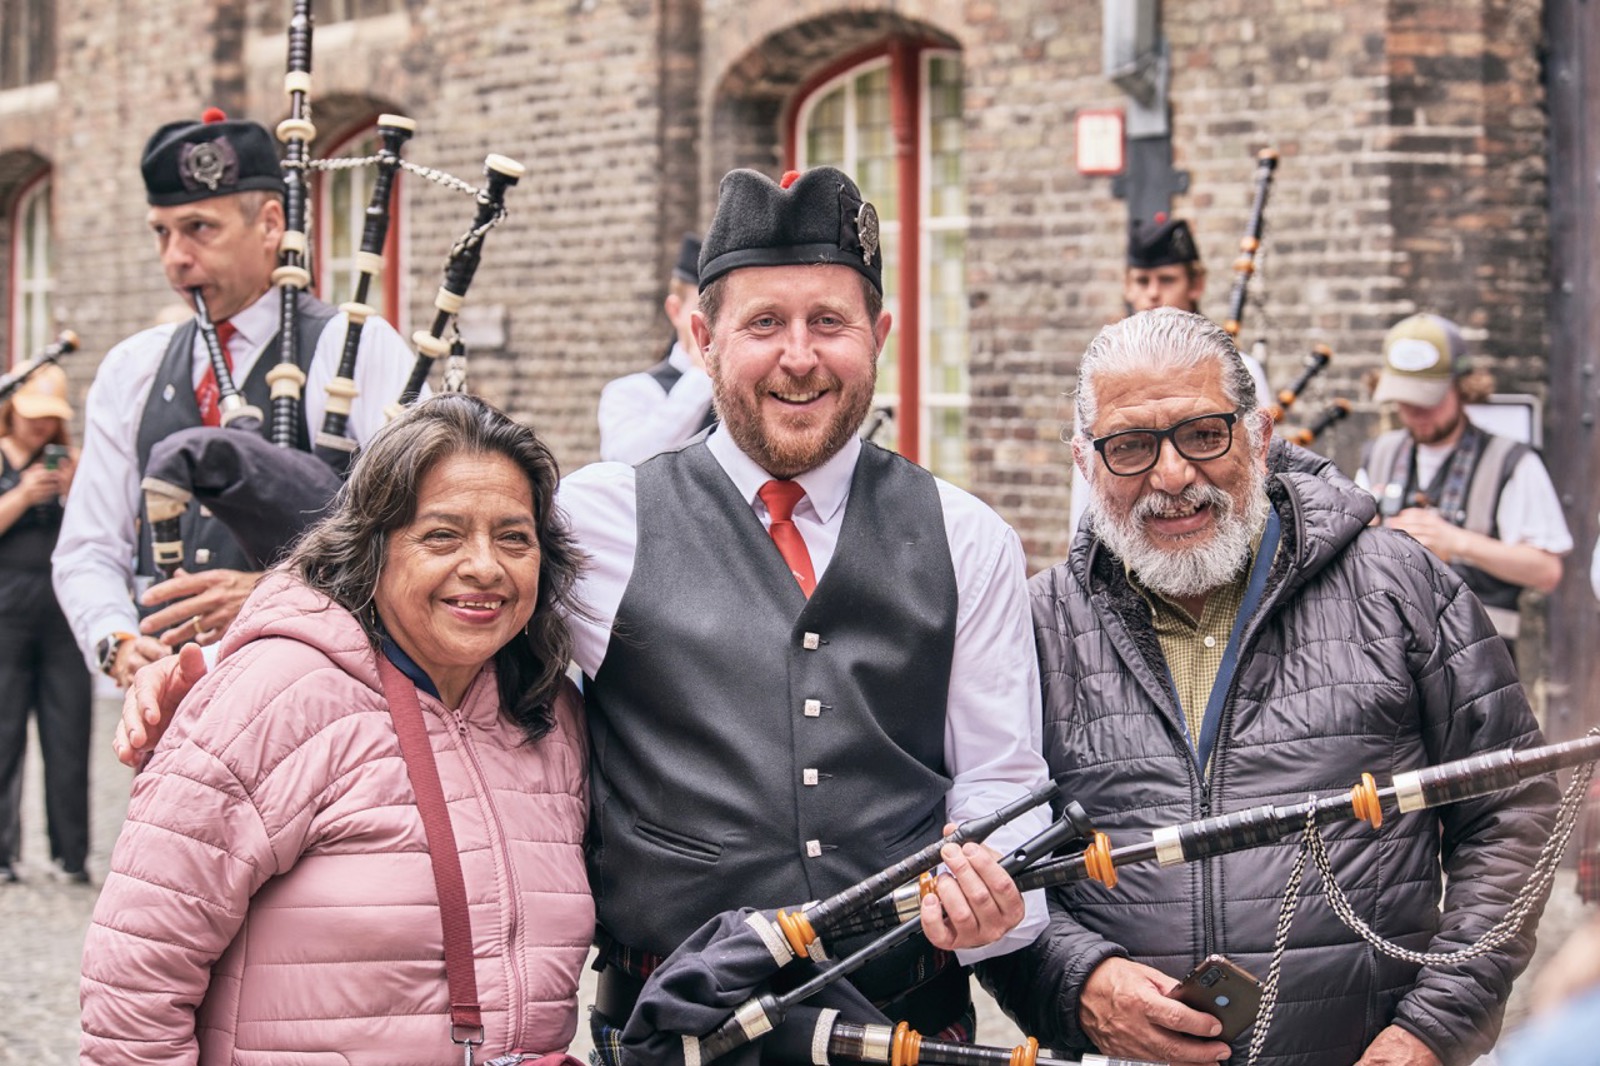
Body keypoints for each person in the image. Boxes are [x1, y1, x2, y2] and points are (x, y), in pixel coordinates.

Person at [119, 166, 1051, 1062]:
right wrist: (217, 675)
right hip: (667, 1028)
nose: (798, 356)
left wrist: (996, 900)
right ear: (703, 338)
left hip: (907, 1020)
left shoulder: (967, 537)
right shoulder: (600, 517)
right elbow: (399, 605)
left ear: (880, 333)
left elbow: (1000, 781)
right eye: (764, 322)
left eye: (830, 323)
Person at [981, 307, 1557, 1066]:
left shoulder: (1398, 587)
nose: (1171, 475)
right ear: (1086, 464)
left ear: (1259, 436)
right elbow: (992, 867)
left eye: (1203, 434)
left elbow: (1513, 811)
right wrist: (1077, 984)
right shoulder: (1034, 627)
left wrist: (1435, 1027)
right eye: (1130, 446)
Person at [79, 394, 593, 1063]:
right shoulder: (275, 696)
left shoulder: (548, 716)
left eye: (514, 537)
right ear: (373, 546)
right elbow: (136, 974)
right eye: (442, 535)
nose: (485, 566)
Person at [52, 108, 416, 689]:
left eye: (199, 228)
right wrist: (116, 641)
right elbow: (89, 544)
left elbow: (419, 534)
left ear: (270, 224)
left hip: (316, 693)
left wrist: (275, 593)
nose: (175, 256)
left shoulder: (355, 347)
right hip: (169, 703)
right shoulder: (133, 367)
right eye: (161, 232)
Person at [1357, 313, 1569, 655]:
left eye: (1428, 398)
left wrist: (1457, 542)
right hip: (1390, 654)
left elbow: (1546, 571)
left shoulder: (1511, 461)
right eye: (1405, 400)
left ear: (1463, 387)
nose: (1416, 412)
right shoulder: (1379, 454)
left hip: (1481, 660)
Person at [1069, 215, 1270, 537]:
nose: (1153, 293)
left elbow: (1257, 476)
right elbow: (1090, 493)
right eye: (1142, 281)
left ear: (1195, 284)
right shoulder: (1102, 380)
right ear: (1127, 286)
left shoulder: (1239, 368)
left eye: (1166, 280)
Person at [0, 364, 92, 884]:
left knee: (69, 731)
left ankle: (70, 854)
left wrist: (76, 490)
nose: (39, 426)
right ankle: (2, 855)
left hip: (61, 615)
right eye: (32, 415)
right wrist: (22, 495)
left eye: (48, 417)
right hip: (5, 613)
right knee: (2, 732)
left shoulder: (72, 464)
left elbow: (102, 532)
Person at [596, 232, 717, 462]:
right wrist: (701, 375)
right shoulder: (631, 391)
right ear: (675, 310)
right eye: (704, 310)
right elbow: (628, 461)